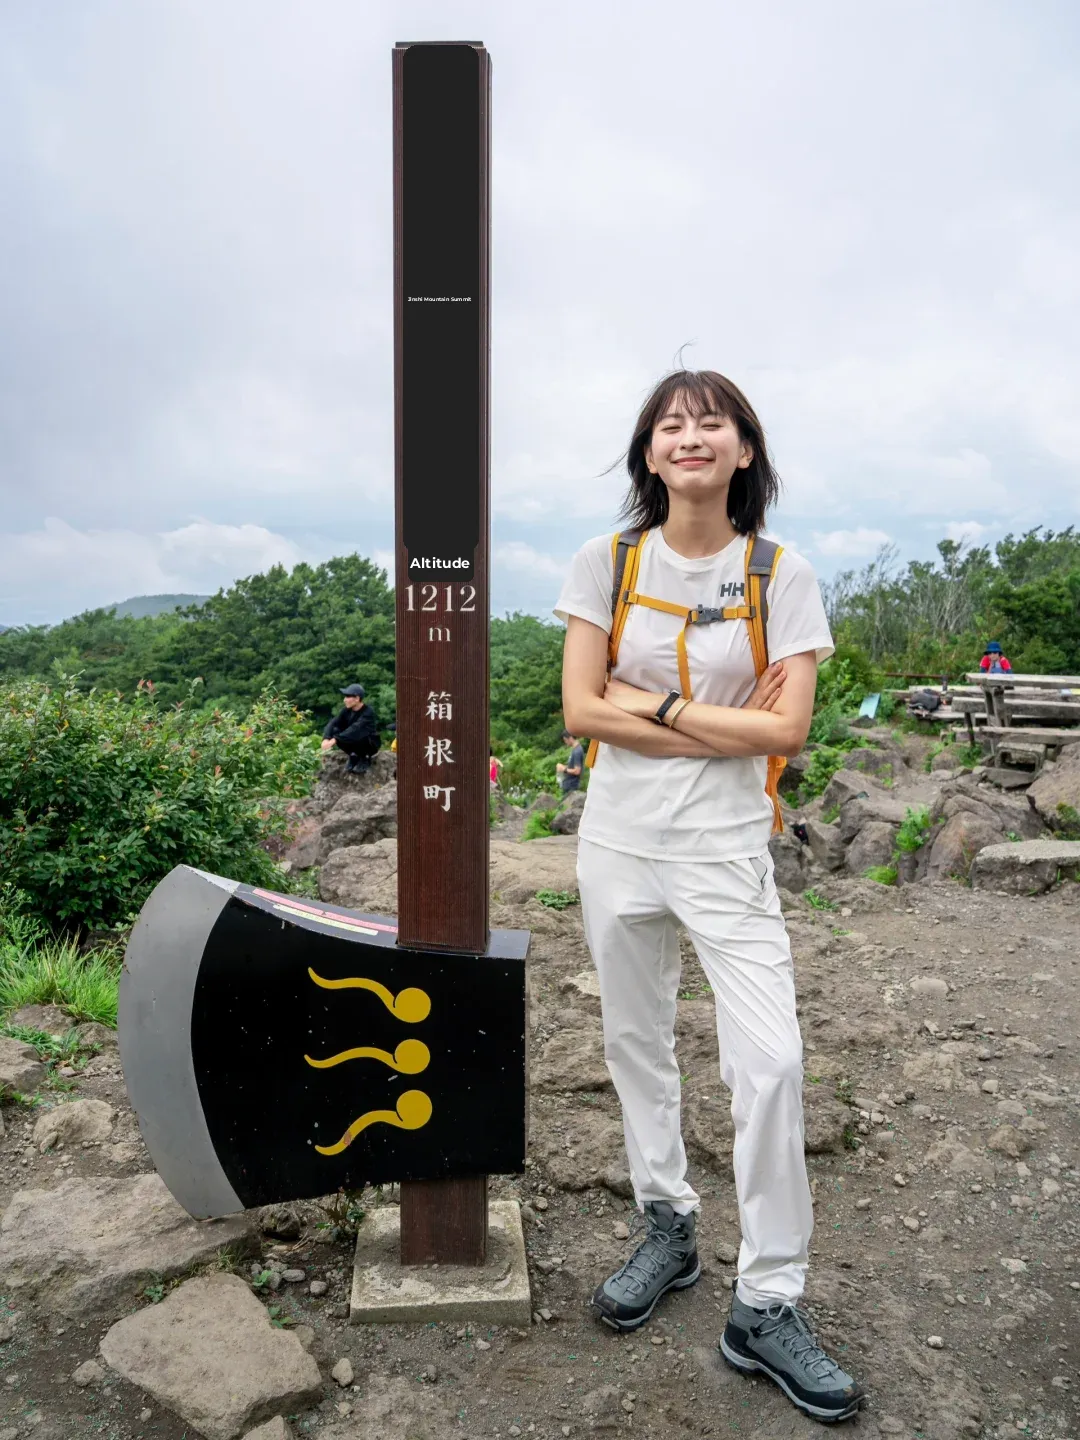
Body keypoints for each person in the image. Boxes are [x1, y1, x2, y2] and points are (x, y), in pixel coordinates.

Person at [554, 368, 865, 1424]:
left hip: (727, 849)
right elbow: (579, 709)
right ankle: (668, 1224)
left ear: (744, 449)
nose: (691, 436)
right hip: (618, 844)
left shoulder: (781, 573)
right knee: (634, 1044)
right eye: (671, 424)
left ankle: (767, 1301)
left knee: (771, 1063)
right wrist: (719, 720)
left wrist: (656, 703)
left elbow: (788, 732)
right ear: (649, 453)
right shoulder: (607, 562)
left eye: (712, 422)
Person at [321, 684, 380, 774]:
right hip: (354, 741)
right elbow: (333, 723)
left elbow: (355, 728)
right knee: (336, 730)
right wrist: (326, 738)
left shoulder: (368, 712)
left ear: (357, 698)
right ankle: (353, 755)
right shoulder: (346, 710)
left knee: (357, 733)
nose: (344, 700)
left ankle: (365, 757)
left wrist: (334, 740)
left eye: (348, 697)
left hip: (369, 744)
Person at [555, 729, 584, 794]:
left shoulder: (577, 751)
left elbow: (577, 771)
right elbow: (572, 767)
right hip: (568, 785)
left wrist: (564, 769)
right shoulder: (575, 749)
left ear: (570, 738)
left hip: (571, 787)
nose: (565, 742)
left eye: (565, 740)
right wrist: (563, 767)